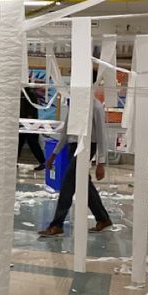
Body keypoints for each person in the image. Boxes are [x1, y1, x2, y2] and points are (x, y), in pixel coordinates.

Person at [38, 84, 112, 237]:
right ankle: (103, 219)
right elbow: (66, 132)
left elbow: (101, 136)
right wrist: (54, 154)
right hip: (73, 147)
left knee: (67, 184)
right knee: (84, 185)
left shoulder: (96, 107)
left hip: (87, 147)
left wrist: (101, 163)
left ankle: (57, 224)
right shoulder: (74, 106)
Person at [18, 86, 46, 170]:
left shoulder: (29, 95)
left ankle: (43, 162)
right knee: (19, 143)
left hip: (29, 125)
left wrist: (29, 124)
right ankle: (13, 162)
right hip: (23, 123)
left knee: (32, 143)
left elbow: (31, 111)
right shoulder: (24, 94)